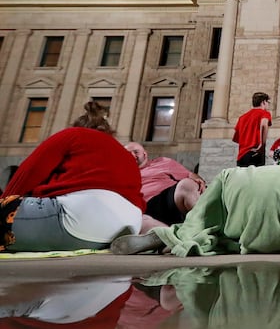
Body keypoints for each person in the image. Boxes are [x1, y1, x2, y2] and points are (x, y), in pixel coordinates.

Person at [0, 101, 144, 252]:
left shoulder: (73, 135)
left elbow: (27, 173)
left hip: (79, 217)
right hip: (128, 226)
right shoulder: (127, 157)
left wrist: (4, 206)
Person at [124, 142, 205, 232]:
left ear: (145, 154)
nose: (132, 155)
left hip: (170, 199)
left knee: (187, 184)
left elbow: (189, 174)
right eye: (127, 153)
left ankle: (207, 227)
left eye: (136, 152)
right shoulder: (120, 174)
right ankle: (174, 238)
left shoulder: (163, 162)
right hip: (146, 208)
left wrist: (200, 182)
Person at [233, 91, 272, 167]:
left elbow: (235, 138)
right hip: (255, 153)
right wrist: (261, 144)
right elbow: (264, 124)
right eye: (268, 102)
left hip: (241, 156)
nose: (268, 105)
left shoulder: (242, 117)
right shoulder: (264, 113)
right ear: (263, 102)